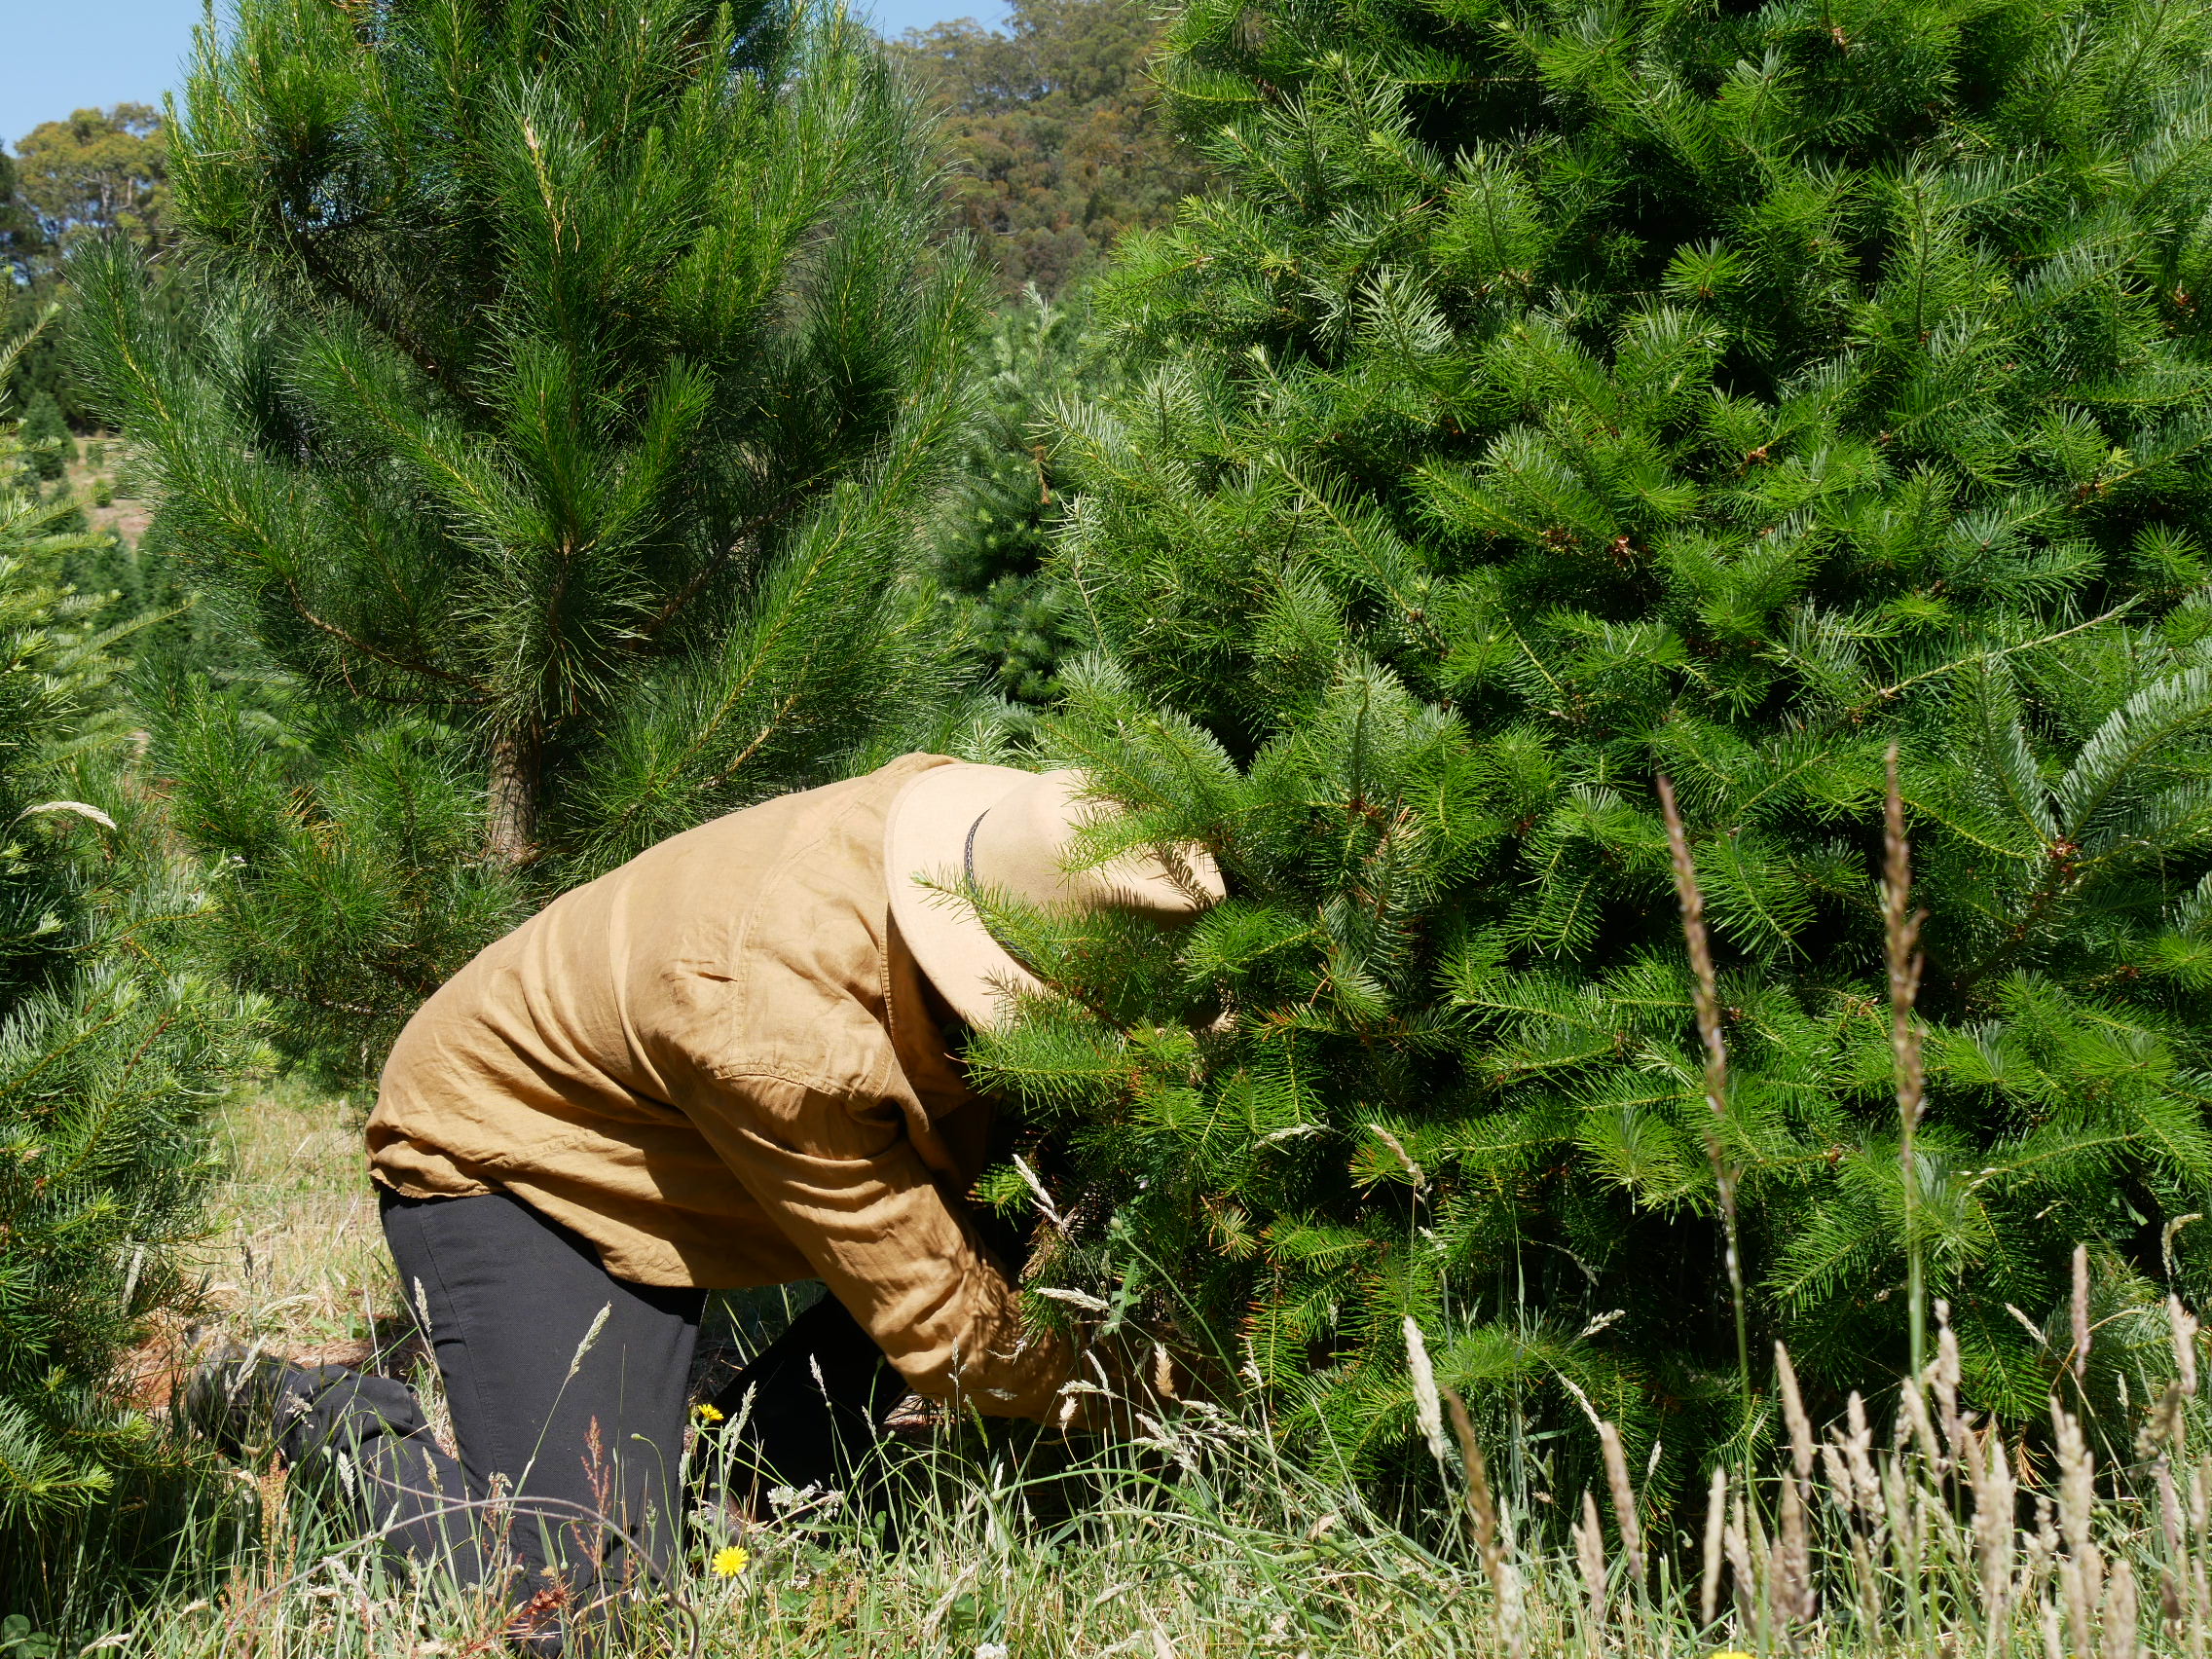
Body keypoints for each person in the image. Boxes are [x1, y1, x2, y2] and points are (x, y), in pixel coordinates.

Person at [188, 755, 1223, 1647]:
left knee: (746, 1497)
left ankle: (740, 1447)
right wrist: (1188, 1392)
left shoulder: (1002, 843)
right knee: (584, 1609)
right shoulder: (781, 1028)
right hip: (519, 1156)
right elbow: (953, 1334)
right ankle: (313, 1414)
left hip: (702, 1129)